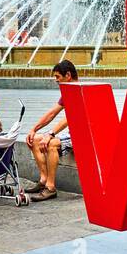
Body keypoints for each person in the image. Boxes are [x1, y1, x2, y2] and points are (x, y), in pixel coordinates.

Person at [25, 59, 79, 201]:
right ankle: (43, 180)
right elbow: (52, 114)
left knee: (51, 144)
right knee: (34, 140)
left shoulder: (79, 90)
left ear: (68, 75)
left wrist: (50, 134)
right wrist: (33, 129)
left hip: (84, 135)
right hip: (72, 134)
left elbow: (70, 118)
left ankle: (50, 188)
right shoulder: (67, 92)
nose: (56, 80)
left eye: (57, 77)